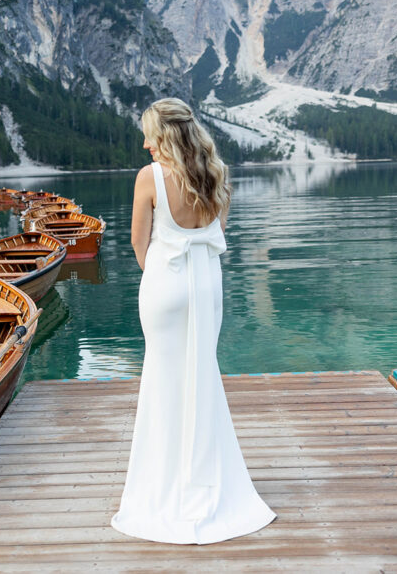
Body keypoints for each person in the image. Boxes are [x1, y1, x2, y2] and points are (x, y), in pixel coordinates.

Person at [111, 98, 276, 544]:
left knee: (163, 380)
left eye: (149, 134)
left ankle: (163, 485)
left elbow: (138, 242)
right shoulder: (216, 173)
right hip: (207, 286)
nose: (144, 144)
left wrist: (161, 279)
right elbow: (217, 234)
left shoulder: (149, 178)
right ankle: (206, 479)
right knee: (201, 375)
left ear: (164, 134)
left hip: (166, 285)